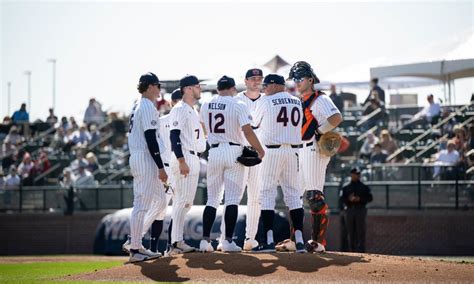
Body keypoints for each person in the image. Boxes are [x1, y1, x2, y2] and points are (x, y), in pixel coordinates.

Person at [279, 61, 342, 253]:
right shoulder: (298, 100)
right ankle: (294, 240)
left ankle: (318, 242)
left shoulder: (320, 99)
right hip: (300, 149)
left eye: (300, 78)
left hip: (314, 148)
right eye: (294, 79)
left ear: (311, 79)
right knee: (294, 196)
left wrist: (319, 131)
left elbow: (336, 117)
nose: (296, 82)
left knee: (314, 196)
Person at [199, 75, 265, 253]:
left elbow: (203, 127)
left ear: (218, 88)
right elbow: (247, 130)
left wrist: (213, 138)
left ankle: (205, 241)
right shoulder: (238, 104)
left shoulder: (206, 104)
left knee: (212, 199)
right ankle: (227, 241)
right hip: (233, 150)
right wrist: (260, 149)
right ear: (233, 88)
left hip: (213, 151)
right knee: (232, 200)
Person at [250, 74, 304, 253]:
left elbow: (253, 123)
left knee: (266, 193)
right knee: (293, 194)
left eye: (266, 85)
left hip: (272, 150)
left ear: (275, 85)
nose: (264, 88)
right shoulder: (297, 101)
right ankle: (300, 241)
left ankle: (269, 241)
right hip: (293, 150)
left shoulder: (266, 101)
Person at [217, 68, 264, 252]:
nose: (256, 81)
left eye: (259, 78)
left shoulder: (266, 100)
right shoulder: (236, 100)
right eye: (253, 78)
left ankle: (250, 238)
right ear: (245, 81)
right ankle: (224, 239)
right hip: (239, 153)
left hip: (259, 155)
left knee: (256, 198)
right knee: (232, 198)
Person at [127, 72, 168, 263]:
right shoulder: (147, 106)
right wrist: (160, 166)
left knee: (160, 202)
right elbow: (151, 138)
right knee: (141, 204)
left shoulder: (138, 105)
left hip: (140, 156)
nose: (159, 89)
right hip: (144, 157)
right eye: (158, 85)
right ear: (150, 86)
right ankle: (135, 248)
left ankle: (135, 239)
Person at [167, 75, 206, 254]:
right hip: (185, 156)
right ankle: (176, 242)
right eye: (198, 86)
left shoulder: (192, 109)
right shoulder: (180, 108)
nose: (200, 89)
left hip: (194, 156)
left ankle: (177, 241)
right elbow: (174, 135)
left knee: (186, 202)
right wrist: (181, 160)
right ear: (188, 88)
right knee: (182, 201)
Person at [340, 167, 373, 253]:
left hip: (360, 210)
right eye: (355, 174)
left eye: (358, 174)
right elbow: (341, 199)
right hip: (349, 210)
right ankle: (352, 250)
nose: (357, 176)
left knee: (360, 230)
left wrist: (360, 199)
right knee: (350, 231)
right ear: (351, 175)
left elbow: (370, 198)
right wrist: (349, 199)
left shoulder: (364, 187)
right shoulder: (346, 187)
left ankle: (361, 250)